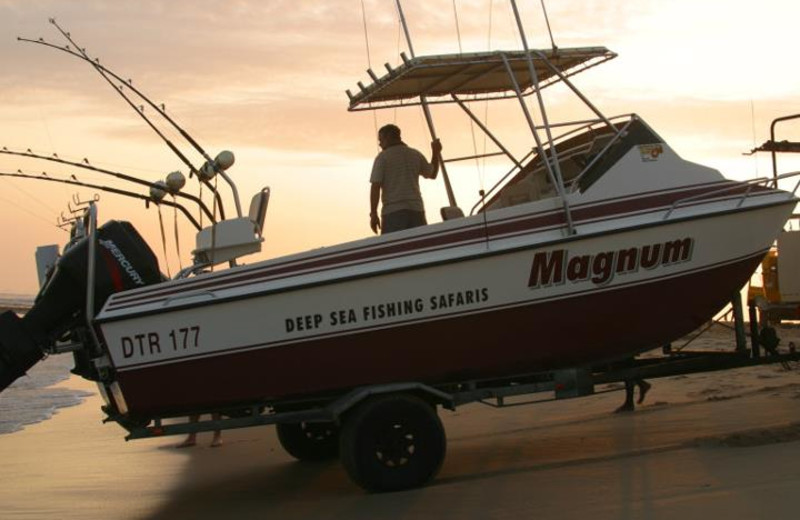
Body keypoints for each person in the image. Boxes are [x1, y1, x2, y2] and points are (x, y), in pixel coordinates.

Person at [369, 124, 442, 234]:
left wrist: (374, 214)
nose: (380, 144)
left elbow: (375, 187)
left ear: (388, 137)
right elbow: (432, 174)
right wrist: (435, 153)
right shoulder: (415, 154)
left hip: (393, 213)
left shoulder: (382, 158)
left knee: (394, 247)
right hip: (417, 211)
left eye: (381, 140)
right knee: (419, 246)